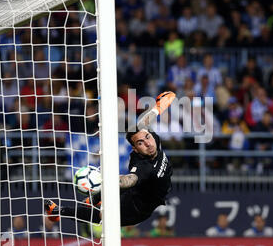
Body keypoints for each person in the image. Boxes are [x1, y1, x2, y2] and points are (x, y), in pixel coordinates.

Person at [44, 92, 175, 228]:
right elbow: (130, 179)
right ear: (135, 148)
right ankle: (84, 203)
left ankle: (63, 210)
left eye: (148, 137)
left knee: (102, 215)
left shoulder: (149, 150)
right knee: (116, 191)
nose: (148, 143)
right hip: (139, 192)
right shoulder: (144, 163)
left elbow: (143, 123)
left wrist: (159, 106)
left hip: (137, 210)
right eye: (141, 143)